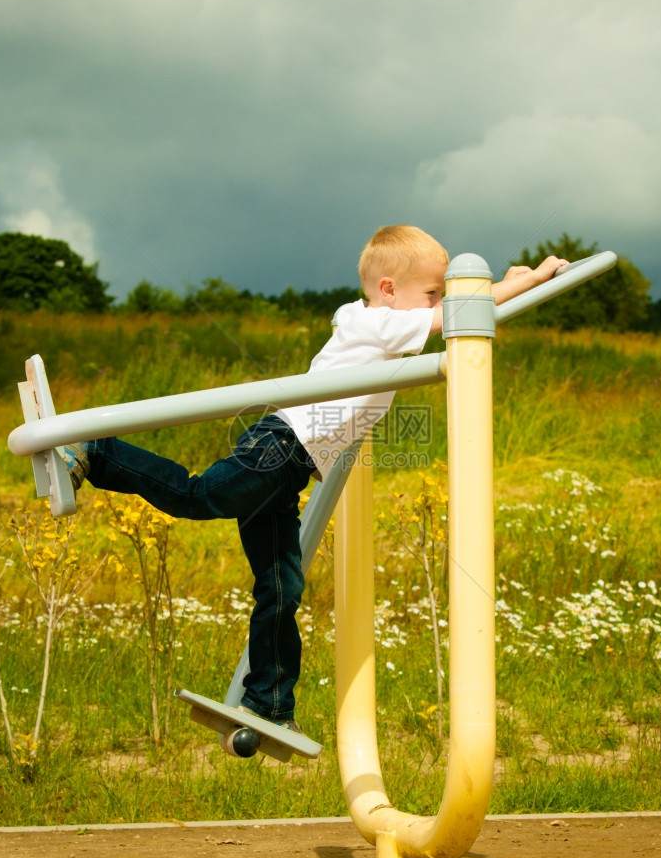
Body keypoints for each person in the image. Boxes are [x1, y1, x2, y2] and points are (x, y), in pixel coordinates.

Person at [63, 226, 566, 733]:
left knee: (280, 588)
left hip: (291, 468)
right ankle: (98, 450)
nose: (439, 301)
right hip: (280, 447)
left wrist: (506, 282)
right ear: (389, 289)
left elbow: (453, 309)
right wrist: (529, 277)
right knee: (199, 496)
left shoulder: (373, 319)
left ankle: (269, 704)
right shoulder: (377, 323)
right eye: (434, 292)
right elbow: (454, 320)